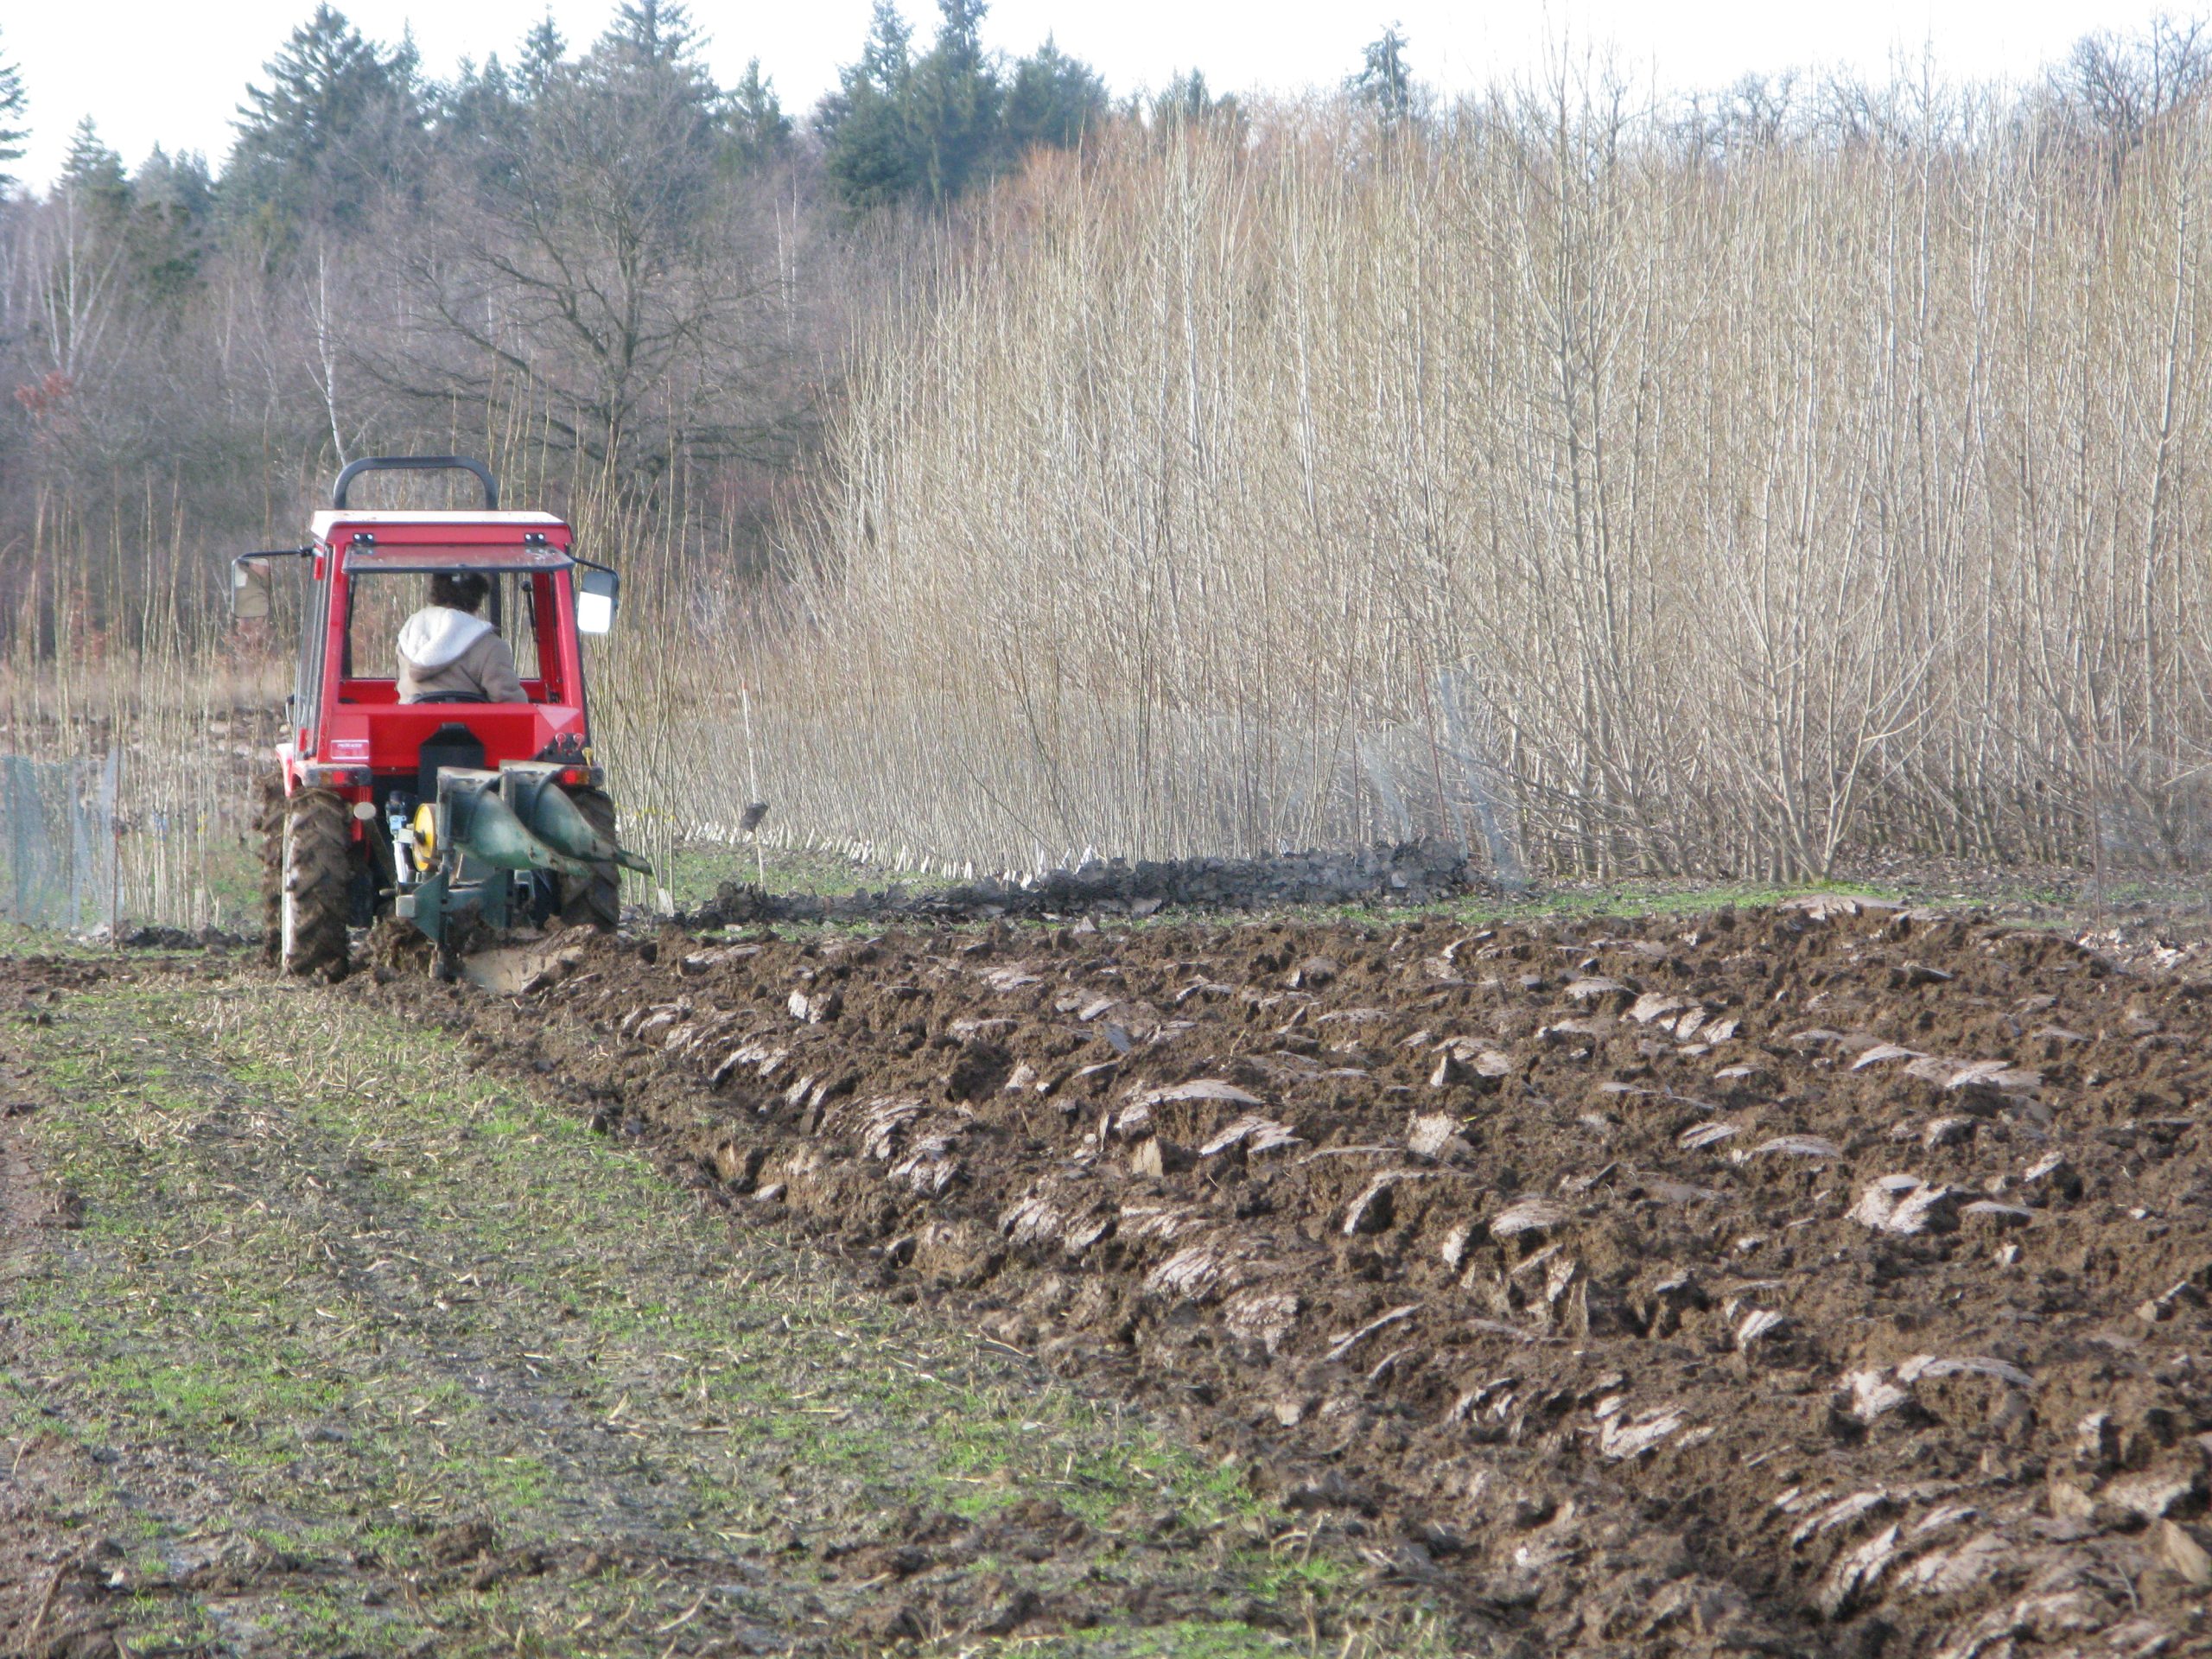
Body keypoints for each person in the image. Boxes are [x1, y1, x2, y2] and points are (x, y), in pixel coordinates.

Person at [396, 572, 526, 703]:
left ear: (435, 590)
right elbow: (511, 703)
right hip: (471, 717)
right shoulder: (492, 646)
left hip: (411, 717)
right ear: (478, 596)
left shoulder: (408, 636)